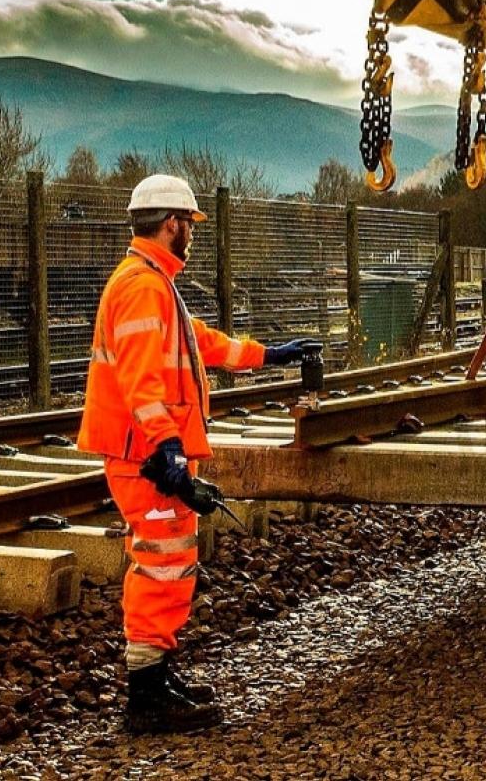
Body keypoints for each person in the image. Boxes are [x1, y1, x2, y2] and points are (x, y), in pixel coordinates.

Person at [77, 175, 311, 734]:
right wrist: (170, 454)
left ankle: (158, 675)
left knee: (170, 562)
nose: (192, 235)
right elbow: (142, 383)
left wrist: (268, 355)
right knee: (160, 563)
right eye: (190, 225)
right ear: (172, 223)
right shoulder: (142, 287)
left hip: (149, 453)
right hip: (146, 457)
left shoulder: (154, 282)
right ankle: (147, 696)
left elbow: (197, 341)